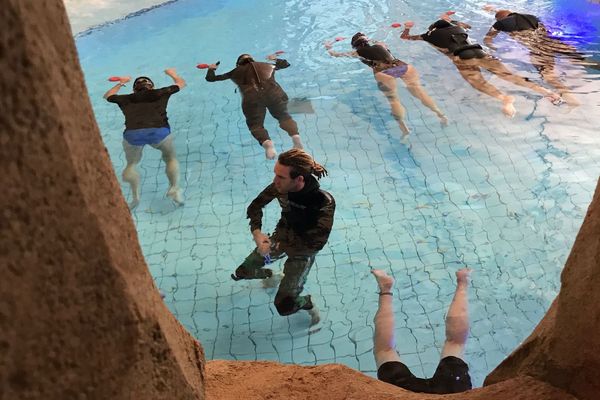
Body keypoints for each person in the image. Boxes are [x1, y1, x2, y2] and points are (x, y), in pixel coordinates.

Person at [232, 149, 335, 325]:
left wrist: (283, 253)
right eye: (275, 174)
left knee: (284, 306)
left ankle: (307, 303)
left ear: (299, 180)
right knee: (243, 272)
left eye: (281, 177)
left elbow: (317, 243)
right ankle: (271, 274)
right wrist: (258, 234)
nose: (274, 181)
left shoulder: (323, 202)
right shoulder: (280, 188)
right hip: (281, 238)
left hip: (303, 252)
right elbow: (255, 207)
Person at [401, 12, 563, 117]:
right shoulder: (458, 28)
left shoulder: (428, 35)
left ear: (432, 29)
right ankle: (548, 92)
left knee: (479, 84)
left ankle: (505, 99)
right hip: (481, 52)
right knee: (511, 77)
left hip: (462, 58)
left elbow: (405, 38)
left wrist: (407, 28)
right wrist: (452, 19)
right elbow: (467, 25)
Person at [325, 32, 447, 139]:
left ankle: (404, 129)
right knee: (420, 92)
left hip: (384, 72)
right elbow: (377, 42)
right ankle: (440, 114)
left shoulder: (357, 52)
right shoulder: (380, 45)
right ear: (367, 41)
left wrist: (328, 47)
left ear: (355, 45)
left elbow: (335, 55)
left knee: (394, 100)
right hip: (401, 66)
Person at [371, 268, 472, 394]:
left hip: (446, 391)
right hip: (436, 393)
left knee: (455, 343)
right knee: (384, 350)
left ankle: (462, 282)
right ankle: (462, 283)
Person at [483, 5, 597, 106]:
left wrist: (493, 48)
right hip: (554, 42)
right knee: (583, 60)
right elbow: (505, 14)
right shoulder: (530, 16)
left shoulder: (499, 23)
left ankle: (572, 100)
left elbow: (488, 38)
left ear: (499, 19)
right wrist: (494, 10)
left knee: (548, 76)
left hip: (538, 49)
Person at [104, 69, 185, 209]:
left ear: (135, 90)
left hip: (133, 135)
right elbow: (181, 83)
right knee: (170, 158)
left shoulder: (126, 98)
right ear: (151, 86)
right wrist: (172, 74)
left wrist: (121, 83)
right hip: (159, 132)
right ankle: (174, 188)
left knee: (131, 165)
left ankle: (135, 198)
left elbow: (108, 96)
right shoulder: (161, 93)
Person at [205, 53, 303, 160]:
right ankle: (296, 138)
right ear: (253, 60)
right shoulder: (268, 66)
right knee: (284, 117)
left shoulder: (234, 72)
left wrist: (211, 68)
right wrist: (275, 59)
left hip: (252, 99)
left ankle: (268, 144)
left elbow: (210, 79)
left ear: (238, 65)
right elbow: (286, 64)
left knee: (255, 125)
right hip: (275, 94)